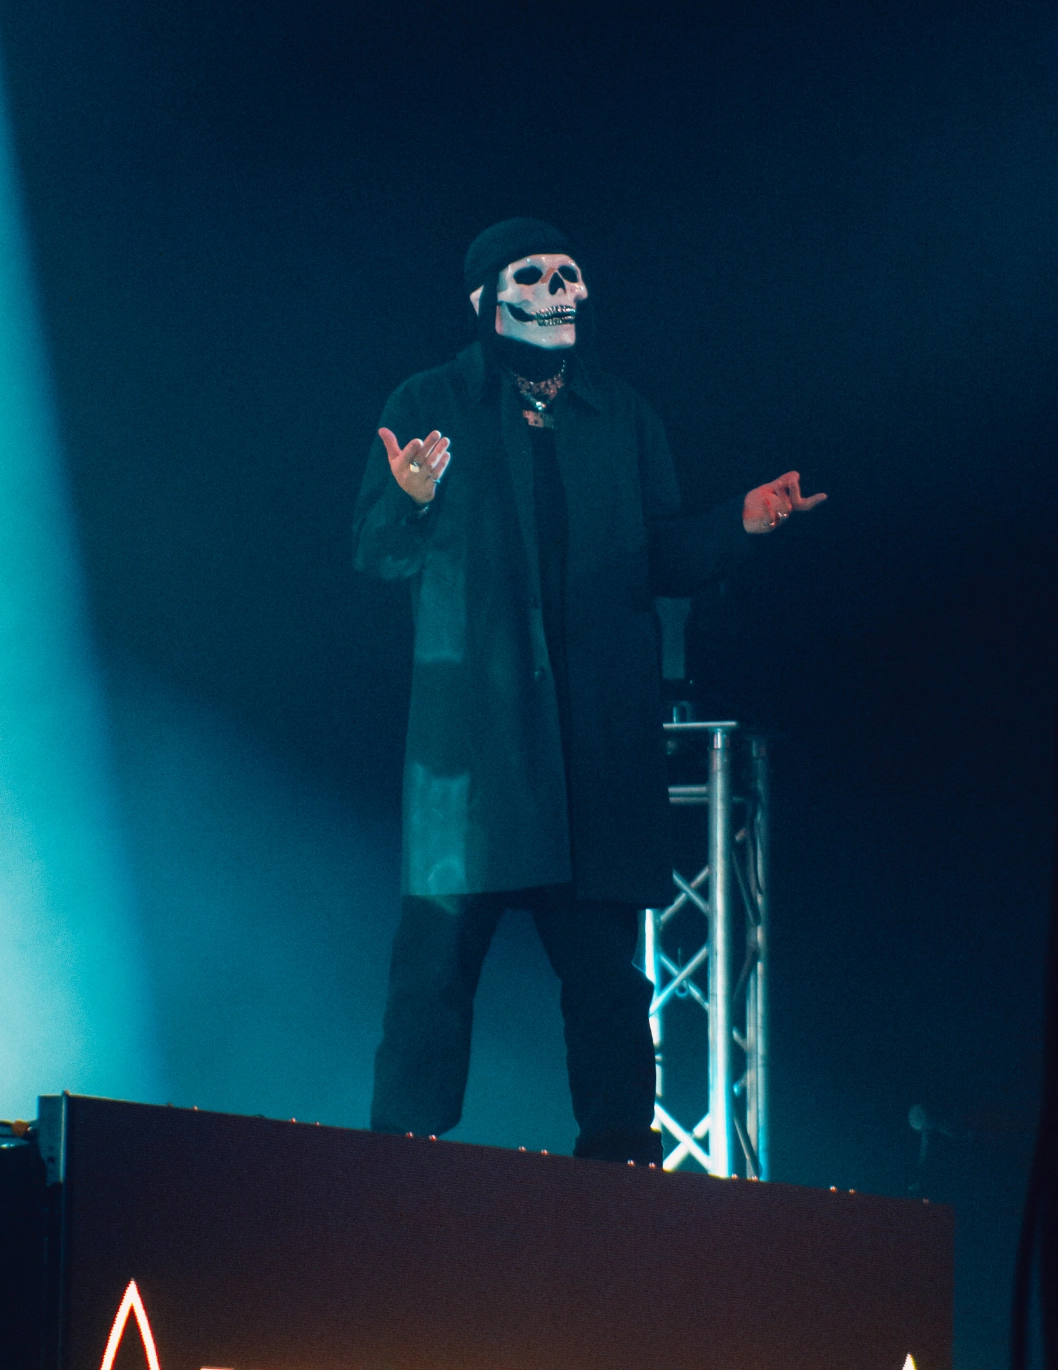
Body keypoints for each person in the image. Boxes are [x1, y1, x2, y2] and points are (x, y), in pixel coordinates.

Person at [353, 217, 825, 1164]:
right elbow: (376, 553)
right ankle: (400, 1173)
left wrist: (739, 522)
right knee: (432, 975)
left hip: (592, 747)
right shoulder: (430, 402)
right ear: (486, 300)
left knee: (609, 983)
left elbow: (662, 556)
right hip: (476, 753)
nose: (563, 290)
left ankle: (619, 1183)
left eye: (571, 274)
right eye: (535, 275)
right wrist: (410, 496)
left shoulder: (622, 414)